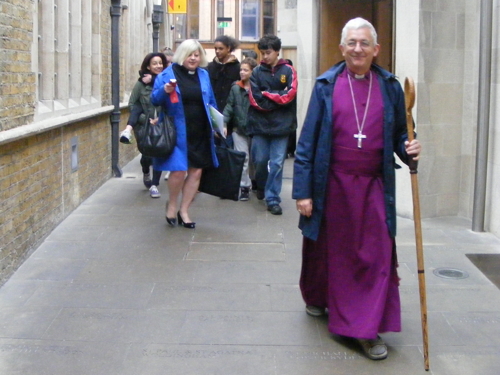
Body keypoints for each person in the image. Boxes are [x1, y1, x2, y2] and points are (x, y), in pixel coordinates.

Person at [292, 18, 422, 360]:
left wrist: (409, 148)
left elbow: (399, 135)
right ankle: (328, 303)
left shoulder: (390, 86)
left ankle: (363, 327)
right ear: (342, 48)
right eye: (351, 43)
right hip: (332, 184)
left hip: (375, 186)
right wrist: (303, 192)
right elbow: (307, 142)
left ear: (376, 49)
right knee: (331, 251)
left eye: (364, 43)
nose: (358, 49)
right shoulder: (325, 85)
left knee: (374, 255)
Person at [151, 39, 219, 229]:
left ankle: (185, 210)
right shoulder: (167, 74)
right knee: (179, 170)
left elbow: (211, 101)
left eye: (197, 55)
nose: (194, 58)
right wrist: (165, 90)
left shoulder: (204, 75)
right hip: (177, 130)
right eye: (190, 54)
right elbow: (154, 100)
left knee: (196, 170)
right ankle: (172, 204)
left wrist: (219, 123)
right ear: (182, 55)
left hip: (200, 130)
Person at [246, 34, 297, 215]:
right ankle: (262, 185)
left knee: (277, 163)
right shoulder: (257, 73)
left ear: (277, 52)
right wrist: (276, 97)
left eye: (268, 53)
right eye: (262, 53)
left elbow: (289, 96)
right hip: (260, 125)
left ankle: (273, 198)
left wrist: (267, 93)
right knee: (260, 161)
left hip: (282, 126)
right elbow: (255, 99)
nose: (265, 56)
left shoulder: (289, 71)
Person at [119, 53, 167, 198]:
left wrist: (161, 119)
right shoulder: (141, 84)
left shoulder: (166, 82)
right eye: (154, 63)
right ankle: (146, 170)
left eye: (160, 63)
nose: (158, 66)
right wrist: (145, 118)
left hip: (160, 123)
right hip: (143, 125)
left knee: (158, 152)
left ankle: (154, 184)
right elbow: (132, 104)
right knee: (146, 154)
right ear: (148, 66)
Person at [222, 57, 258, 201]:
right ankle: (244, 187)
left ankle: (256, 181)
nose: (242, 73)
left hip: (256, 130)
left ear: (252, 71)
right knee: (243, 158)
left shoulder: (259, 88)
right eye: (241, 70)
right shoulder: (236, 88)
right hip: (239, 129)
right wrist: (224, 124)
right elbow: (229, 106)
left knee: (255, 160)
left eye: (245, 70)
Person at [207, 35, 241, 113]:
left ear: (228, 48)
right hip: (213, 109)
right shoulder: (210, 67)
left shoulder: (238, 68)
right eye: (215, 49)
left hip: (231, 111)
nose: (217, 51)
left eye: (221, 48)